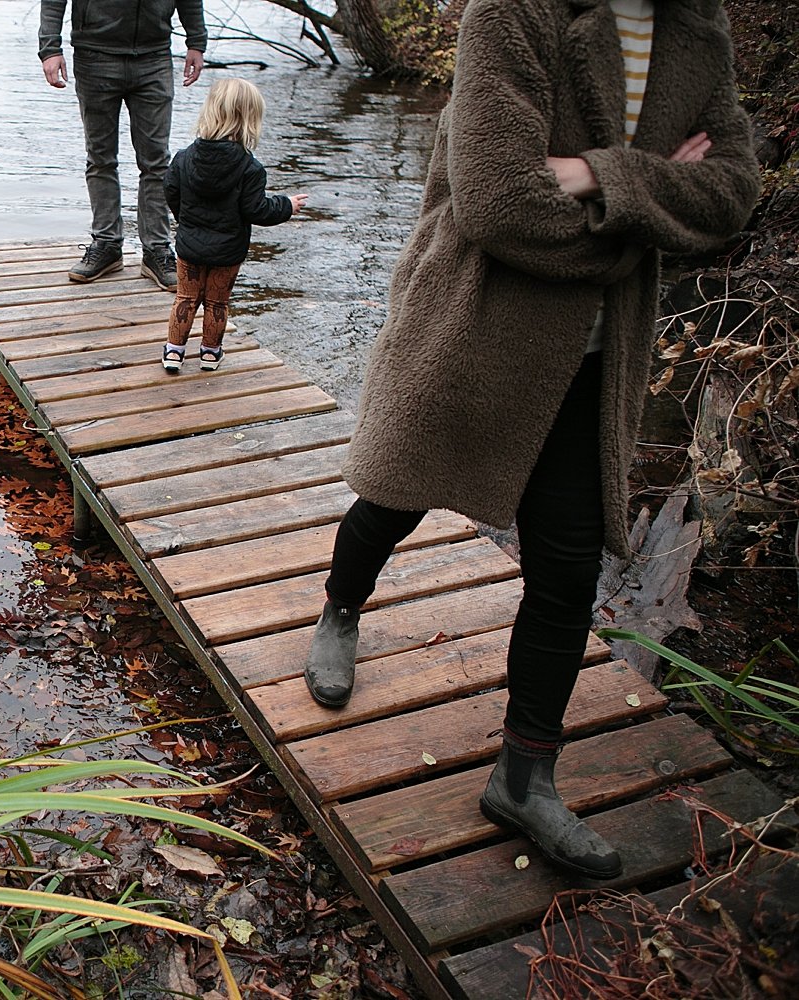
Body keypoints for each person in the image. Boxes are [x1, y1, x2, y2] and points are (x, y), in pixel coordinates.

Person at [303, 0, 758, 881]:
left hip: (596, 356)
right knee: (394, 495)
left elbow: (734, 193)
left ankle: (523, 775)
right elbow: (499, 201)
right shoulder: (513, 12)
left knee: (568, 570)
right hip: (471, 323)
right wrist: (651, 198)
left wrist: (597, 178)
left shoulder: (700, 28)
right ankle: (341, 607)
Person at [39, 0, 207, 290]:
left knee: (156, 162)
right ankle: (106, 245)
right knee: (100, 158)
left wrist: (196, 41)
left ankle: (156, 250)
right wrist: (50, 48)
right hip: (95, 56)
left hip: (154, 58)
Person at [161, 78, 307, 373]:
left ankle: (174, 353)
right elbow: (257, 209)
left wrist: (185, 220)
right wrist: (286, 205)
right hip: (228, 249)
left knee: (186, 298)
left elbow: (171, 192)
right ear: (250, 119)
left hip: (189, 244)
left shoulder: (184, 158)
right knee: (216, 303)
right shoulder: (249, 168)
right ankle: (210, 354)